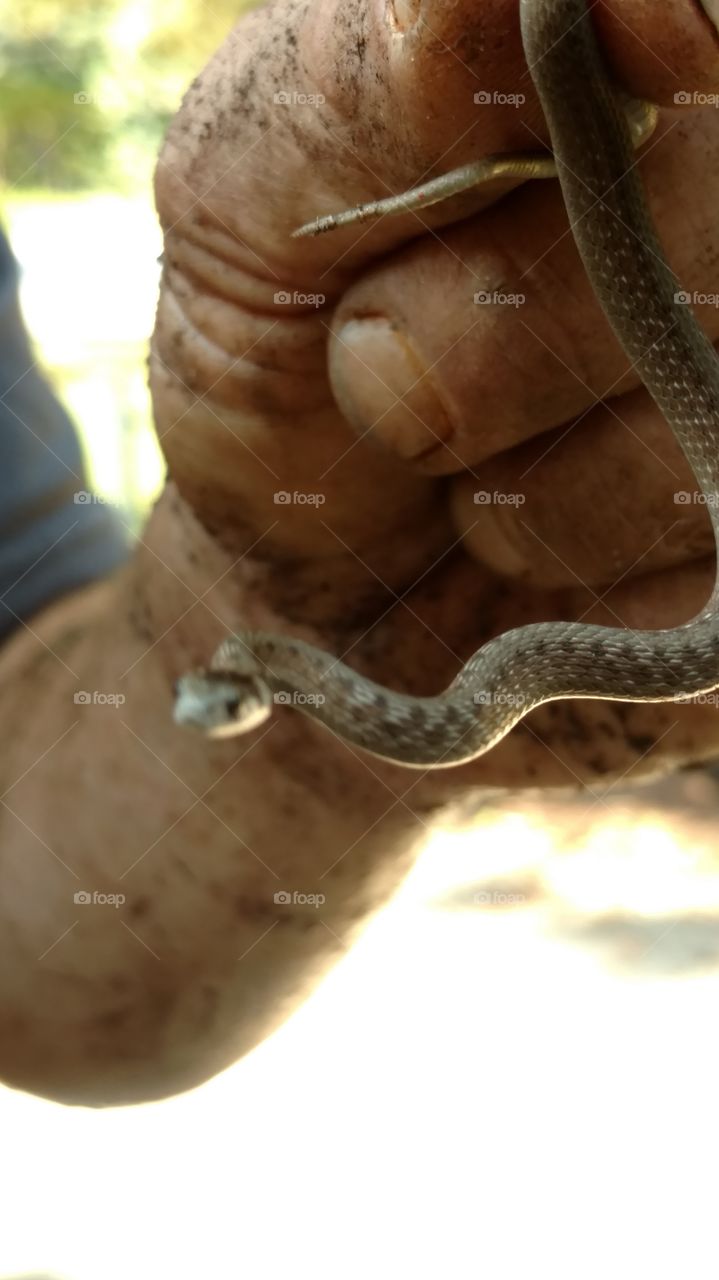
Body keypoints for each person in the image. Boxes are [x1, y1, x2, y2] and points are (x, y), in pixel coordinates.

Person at [1, 0, 718, 1106]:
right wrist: (317, 605)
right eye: (224, 697)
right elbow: (42, 993)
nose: (222, 707)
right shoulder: (417, 696)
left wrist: (272, 583)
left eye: (219, 693)